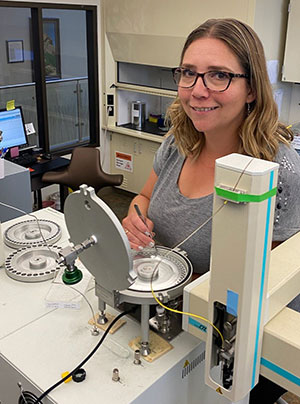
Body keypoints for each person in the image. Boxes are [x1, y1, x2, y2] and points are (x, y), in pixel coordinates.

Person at [122, 18, 300, 403]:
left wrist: (187, 283)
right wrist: (134, 217)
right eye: (189, 73)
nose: (198, 91)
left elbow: (268, 285)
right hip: (163, 315)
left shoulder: (276, 169)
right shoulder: (178, 141)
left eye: (218, 75)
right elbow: (143, 199)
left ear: (251, 89)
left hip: (229, 347)